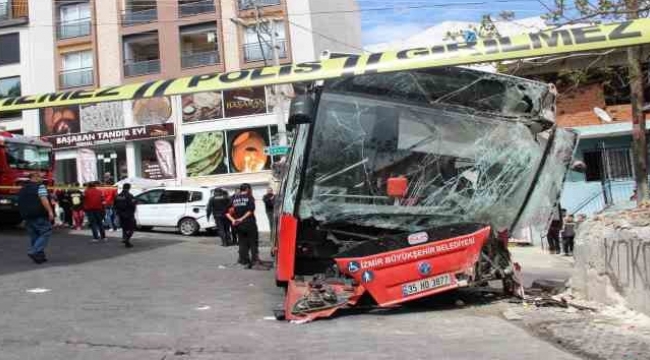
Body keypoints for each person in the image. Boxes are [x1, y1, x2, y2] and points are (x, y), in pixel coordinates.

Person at [17, 173, 54, 264]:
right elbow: (43, 199)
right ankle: (34, 251)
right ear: (35, 177)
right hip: (39, 214)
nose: (42, 179)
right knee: (46, 231)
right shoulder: (40, 187)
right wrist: (50, 211)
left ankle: (39, 257)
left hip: (27, 215)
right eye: (40, 177)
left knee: (35, 235)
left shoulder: (23, 188)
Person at [226, 184, 260, 269]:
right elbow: (250, 211)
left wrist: (233, 220)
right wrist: (242, 218)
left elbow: (227, 212)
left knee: (242, 242)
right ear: (248, 189)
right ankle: (254, 260)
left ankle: (244, 260)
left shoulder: (233, 198)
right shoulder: (249, 197)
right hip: (249, 223)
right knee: (253, 242)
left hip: (239, 225)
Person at [114, 183, 136, 248]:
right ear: (129, 188)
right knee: (132, 228)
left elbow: (115, 205)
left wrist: (118, 212)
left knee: (124, 227)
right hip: (128, 214)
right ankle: (126, 239)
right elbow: (133, 204)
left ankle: (125, 239)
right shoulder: (129, 195)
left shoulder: (118, 196)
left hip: (121, 214)